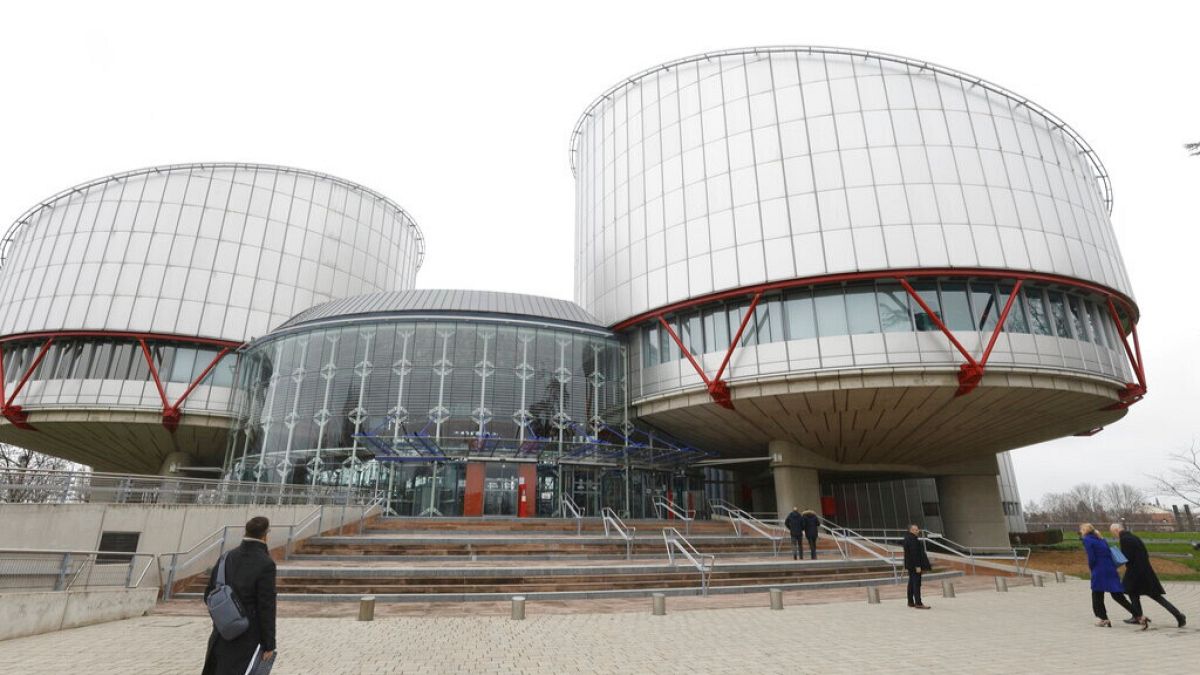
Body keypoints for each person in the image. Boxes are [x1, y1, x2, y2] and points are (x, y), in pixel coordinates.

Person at [203, 516, 277, 675]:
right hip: (248, 636)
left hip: (222, 634)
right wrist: (269, 644)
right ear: (265, 535)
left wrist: (225, 617)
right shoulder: (266, 564)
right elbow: (266, 606)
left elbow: (209, 594)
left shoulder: (226, 557)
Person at [1111, 523, 1187, 629]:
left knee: (1140, 593)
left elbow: (1127, 557)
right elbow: (1145, 553)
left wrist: (1116, 557)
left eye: (1112, 533)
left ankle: (1178, 616)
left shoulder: (1124, 539)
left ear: (1116, 530)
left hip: (1135, 572)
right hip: (1145, 571)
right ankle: (1137, 616)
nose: (1113, 535)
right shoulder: (1134, 537)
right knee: (1137, 594)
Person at [1080, 523, 1134, 627]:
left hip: (1099, 570)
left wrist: (1091, 568)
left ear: (1085, 531)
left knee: (1097, 595)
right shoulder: (1101, 539)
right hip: (1110, 569)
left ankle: (1103, 618)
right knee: (1118, 596)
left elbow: (1091, 557)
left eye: (1081, 530)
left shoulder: (1087, 540)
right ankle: (1138, 614)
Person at [902, 524, 932, 609]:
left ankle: (910, 602)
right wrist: (918, 566)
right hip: (915, 566)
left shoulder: (907, 538)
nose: (918, 531)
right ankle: (918, 603)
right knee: (916, 583)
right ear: (911, 530)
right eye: (916, 530)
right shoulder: (912, 540)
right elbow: (914, 554)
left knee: (911, 583)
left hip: (910, 565)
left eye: (917, 529)